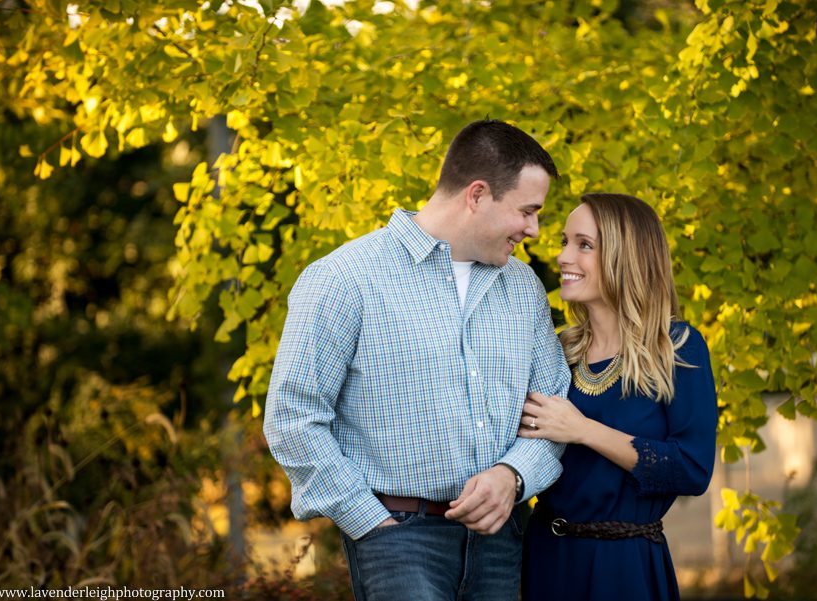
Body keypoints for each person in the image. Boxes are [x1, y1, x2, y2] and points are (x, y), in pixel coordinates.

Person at [263, 119, 571, 601]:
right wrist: (371, 522)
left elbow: (553, 410)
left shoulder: (523, 288)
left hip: (503, 539)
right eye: (527, 211)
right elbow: (293, 417)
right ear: (477, 195)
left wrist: (512, 476)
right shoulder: (344, 280)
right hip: (399, 541)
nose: (534, 230)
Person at [519, 193, 718, 601]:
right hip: (546, 557)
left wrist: (585, 430)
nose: (562, 257)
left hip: (624, 566)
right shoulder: (556, 350)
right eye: (563, 241)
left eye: (584, 245)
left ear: (626, 255)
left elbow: (692, 469)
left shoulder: (677, 347)